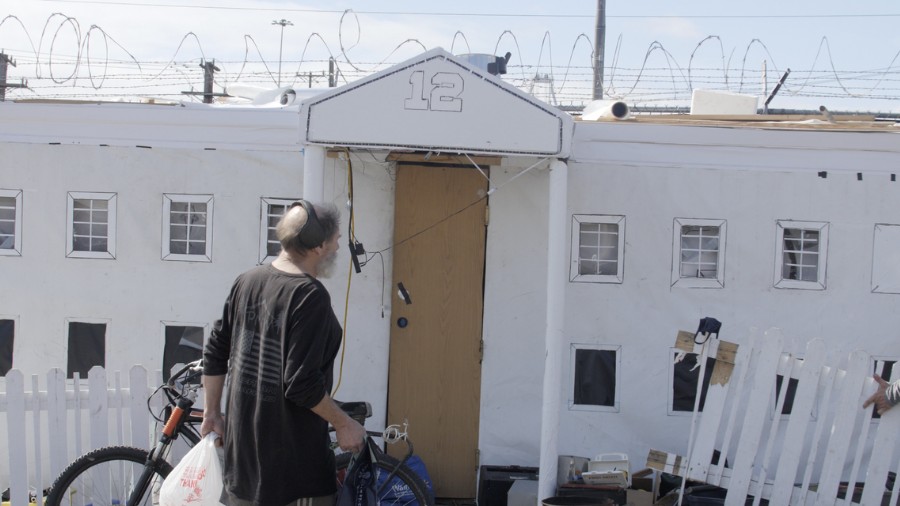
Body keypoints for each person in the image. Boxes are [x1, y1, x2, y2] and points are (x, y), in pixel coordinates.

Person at [201, 200, 366, 506]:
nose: (338, 246)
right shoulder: (310, 297)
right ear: (317, 246)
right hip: (293, 475)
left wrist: (212, 413)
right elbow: (301, 384)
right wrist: (344, 424)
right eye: (335, 239)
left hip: (242, 468)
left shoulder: (246, 281)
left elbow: (215, 350)